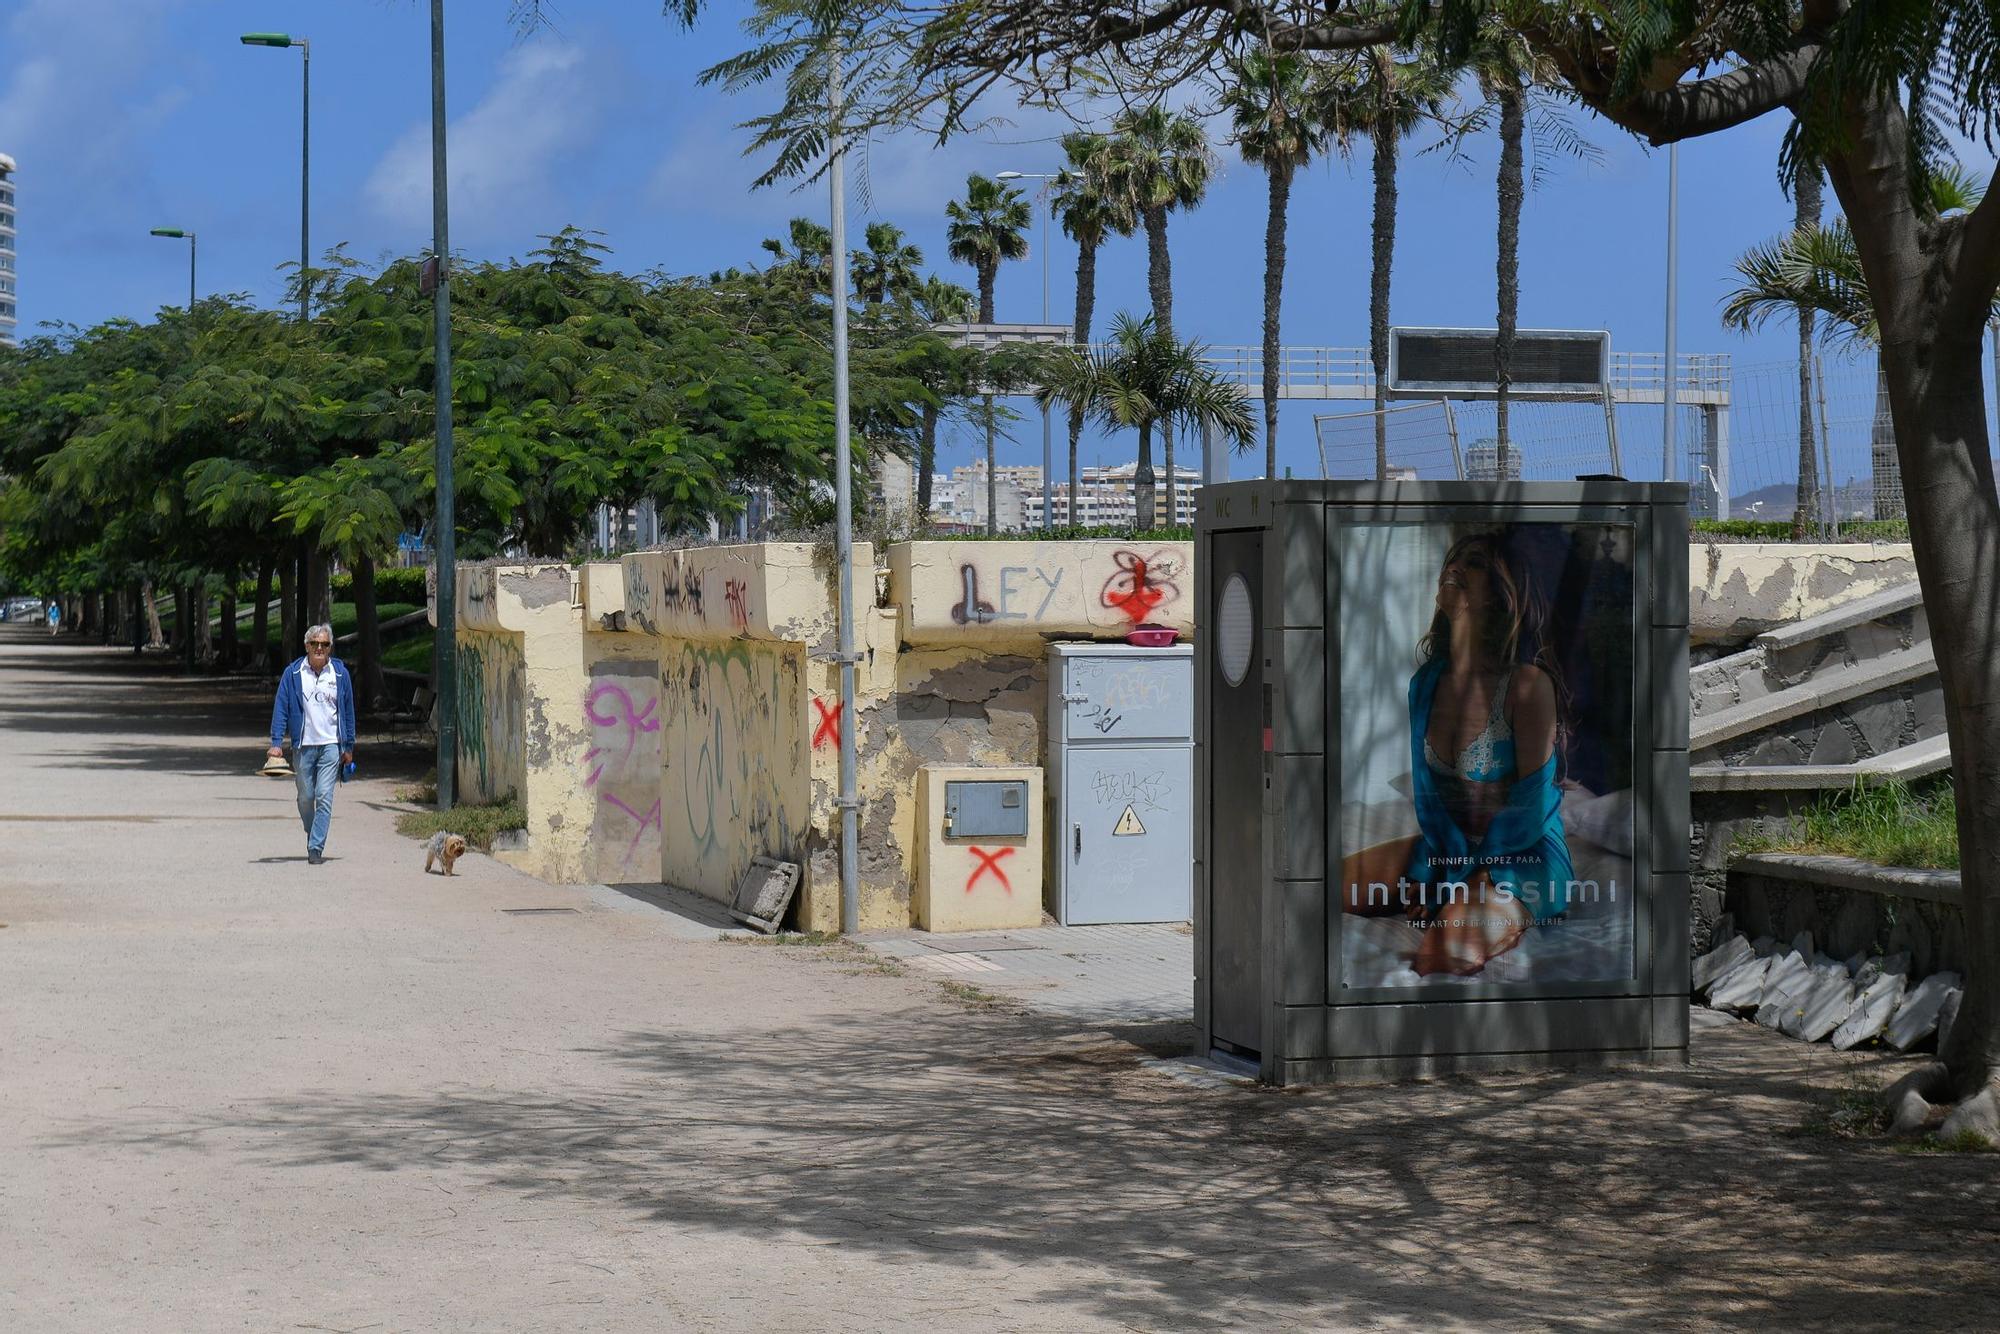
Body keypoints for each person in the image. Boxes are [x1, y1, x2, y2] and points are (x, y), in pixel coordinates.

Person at [1343, 531, 1574, 977]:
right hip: (1448, 848)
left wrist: (1466, 879)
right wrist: (1436, 869)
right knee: (1315, 890)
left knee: (1447, 950)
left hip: (1523, 856)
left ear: (1501, 594)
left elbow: (1531, 808)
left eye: (1474, 563)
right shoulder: (1426, 683)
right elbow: (1431, 801)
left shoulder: (1527, 686)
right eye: (1454, 559)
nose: (1455, 567)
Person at [268, 623, 356, 865]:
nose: (320, 648)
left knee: (324, 795)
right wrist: (276, 742)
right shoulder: (293, 673)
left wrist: (348, 747)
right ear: (307, 646)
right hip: (303, 745)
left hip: (331, 745)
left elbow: (348, 711)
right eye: (315, 644)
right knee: (306, 796)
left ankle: (316, 847)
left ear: (330, 648)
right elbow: (281, 708)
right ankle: (313, 831)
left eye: (325, 644)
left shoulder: (340, 674)